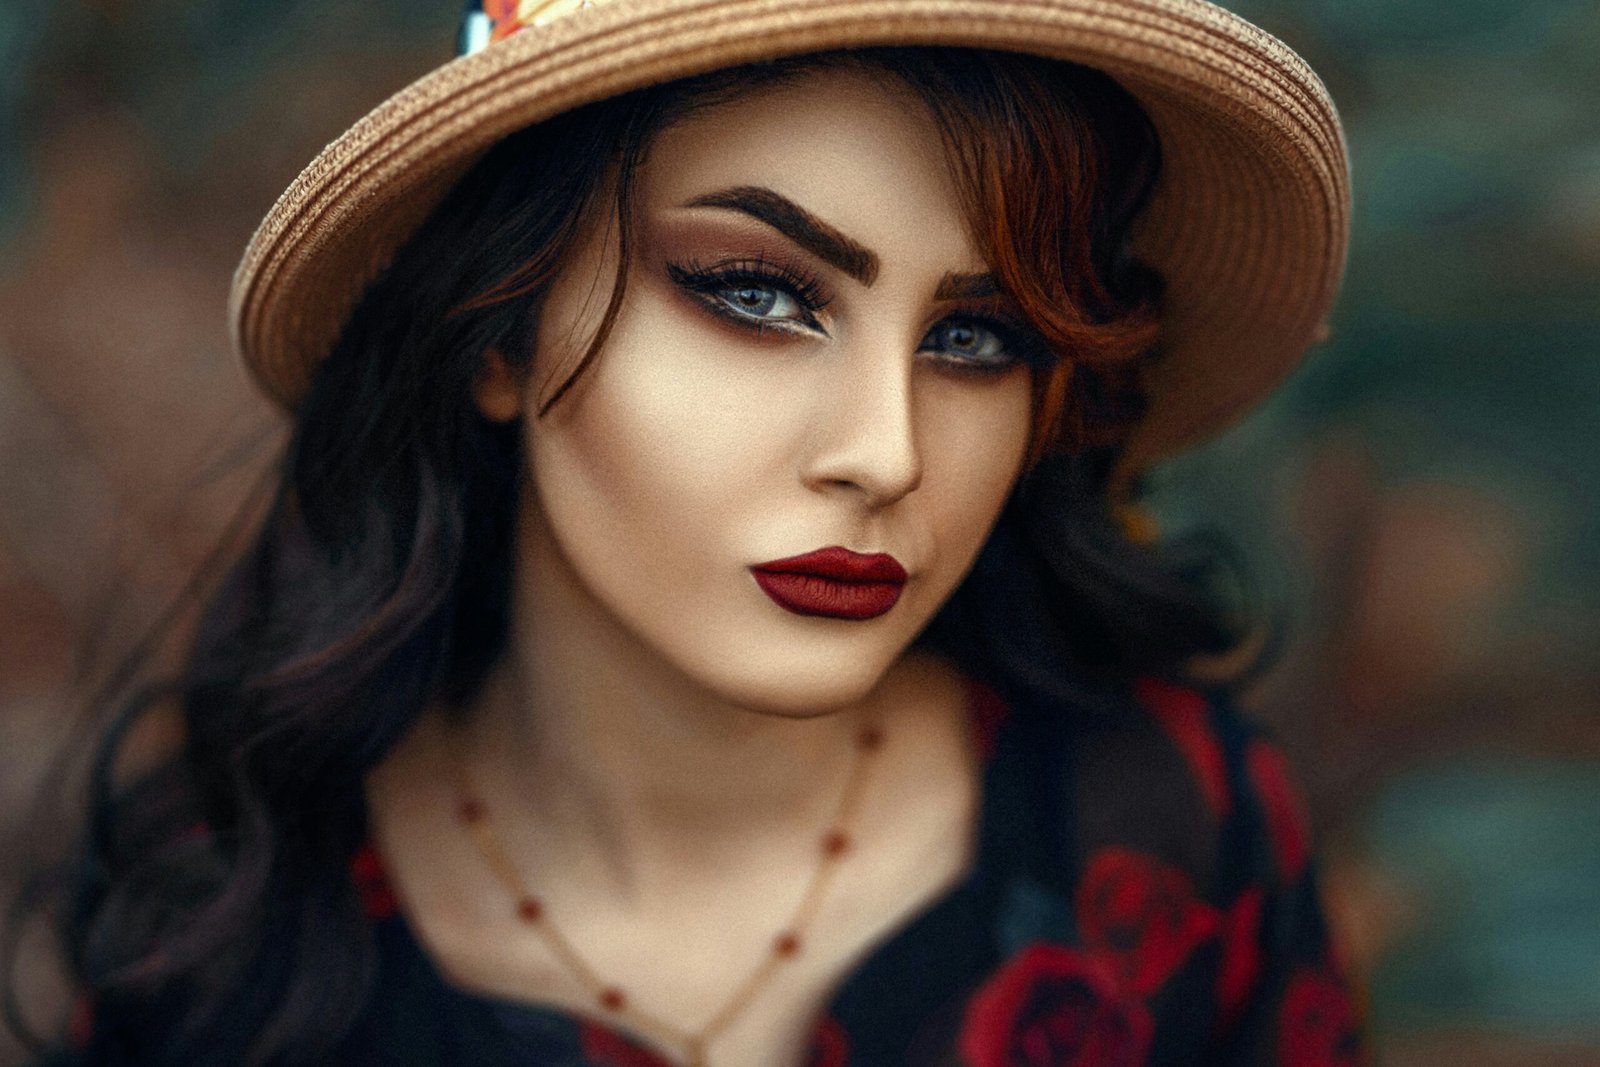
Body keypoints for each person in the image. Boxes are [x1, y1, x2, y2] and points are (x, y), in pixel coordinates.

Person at [22, 0, 1360, 1063]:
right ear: (499, 333)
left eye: (976, 337)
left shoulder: (1182, 832)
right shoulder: (225, 921)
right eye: (756, 294)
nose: (885, 454)